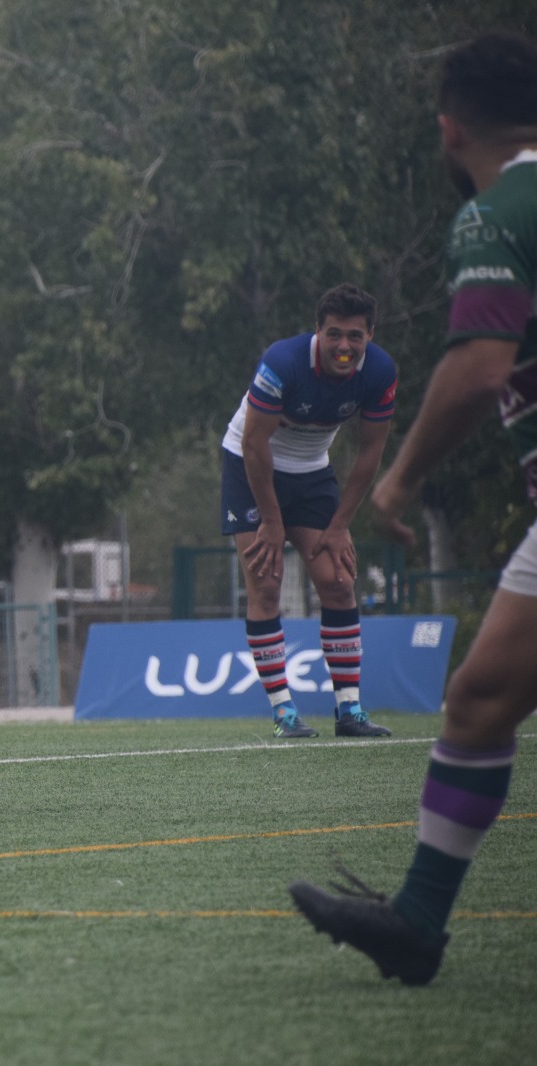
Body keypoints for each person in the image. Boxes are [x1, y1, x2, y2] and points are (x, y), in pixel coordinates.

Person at [288, 29, 537, 986]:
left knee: (479, 704)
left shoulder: (495, 211)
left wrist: (397, 480)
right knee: (477, 700)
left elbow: (479, 368)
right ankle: (418, 924)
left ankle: (421, 922)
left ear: (448, 128)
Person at [220, 282, 398, 739]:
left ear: (370, 336)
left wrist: (341, 525)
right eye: (334, 334)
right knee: (266, 582)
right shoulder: (282, 363)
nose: (344, 346)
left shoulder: (379, 372)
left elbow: (369, 453)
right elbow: (253, 444)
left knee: (339, 581)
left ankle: (349, 712)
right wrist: (272, 523)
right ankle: (284, 713)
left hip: (312, 472)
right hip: (251, 466)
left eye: (355, 336)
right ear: (317, 332)